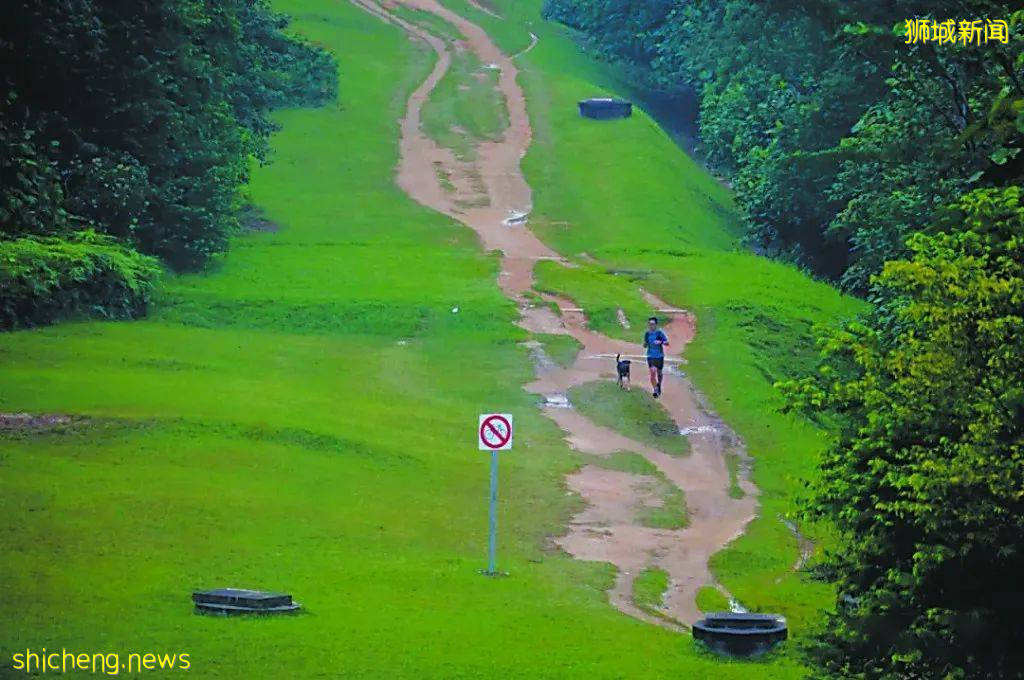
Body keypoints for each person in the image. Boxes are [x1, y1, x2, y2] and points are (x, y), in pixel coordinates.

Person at [643, 316, 669, 398]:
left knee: (659, 373)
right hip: (650, 356)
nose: (651, 326)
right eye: (650, 324)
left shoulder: (659, 333)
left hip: (659, 356)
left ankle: (659, 384)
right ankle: (655, 390)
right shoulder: (647, 334)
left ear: (656, 325)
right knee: (652, 372)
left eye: (653, 324)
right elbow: (645, 344)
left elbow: (667, 342)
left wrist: (660, 342)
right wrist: (645, 344)